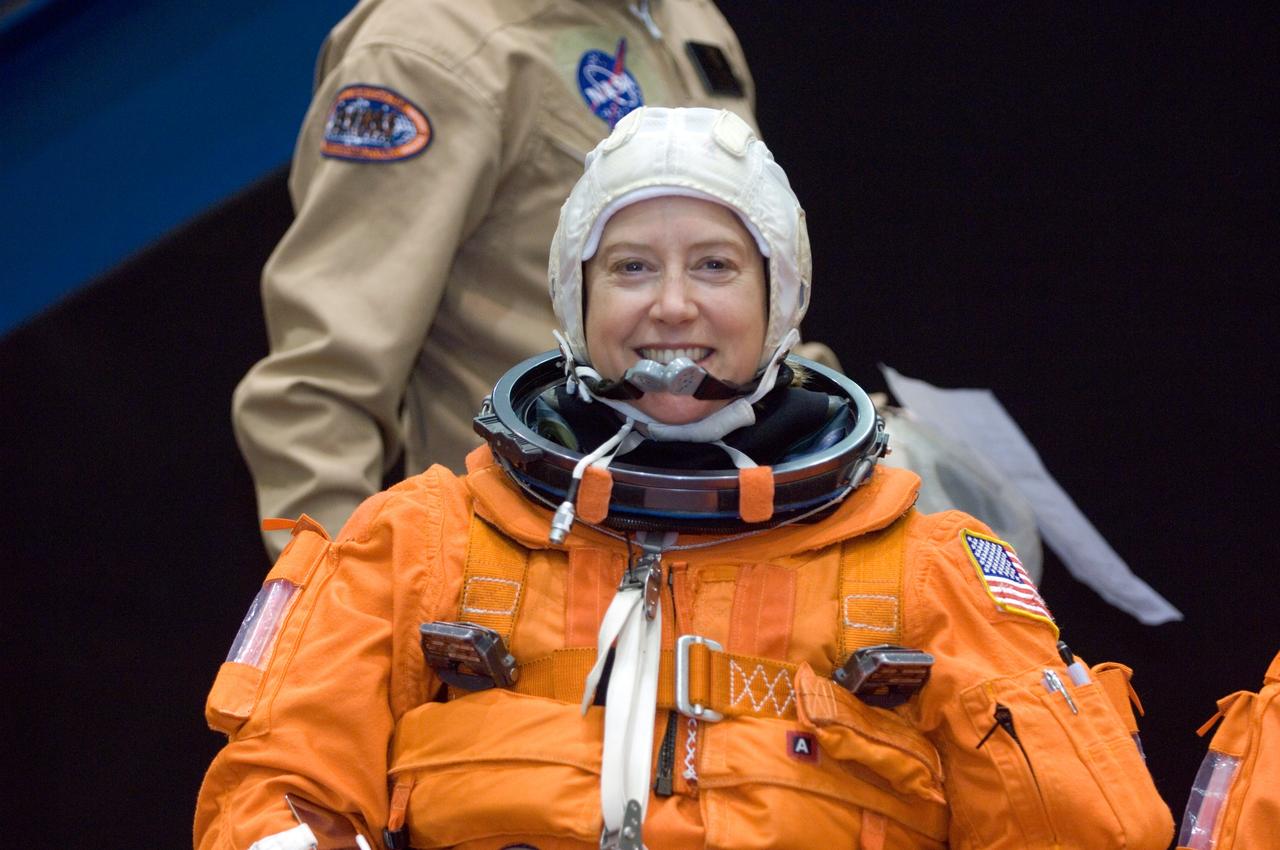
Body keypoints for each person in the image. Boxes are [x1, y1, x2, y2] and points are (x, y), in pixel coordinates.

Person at [197, 108, 1173, 849]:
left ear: (775, 299)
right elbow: (277, 788)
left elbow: (1085, 826)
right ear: (575, 300)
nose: (671, 305)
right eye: (628, 268)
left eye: (712, 265)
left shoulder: (923, 570)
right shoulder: (420, 541)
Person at [231, 0, 762, 559]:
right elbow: (317, 392)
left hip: (748, 551)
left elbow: (751, 296)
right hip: (526, 576)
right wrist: (346, 606)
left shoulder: (687, 16)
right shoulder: (427, 44)